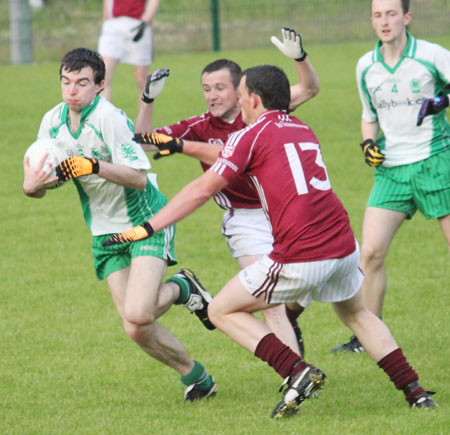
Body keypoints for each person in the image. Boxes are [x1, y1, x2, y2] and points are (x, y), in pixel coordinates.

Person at [102, 64, 437, 416]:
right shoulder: (301, 126)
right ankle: (415, 392)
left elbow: (201, 191)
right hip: (341, 243)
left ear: (254, 100)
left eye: (242, 95)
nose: (240, 104)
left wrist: (147, 228)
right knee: (357, 314)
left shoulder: (249, 136)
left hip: (301, 252)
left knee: (220, 309)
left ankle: (297, 371)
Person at [22, 48, 217, 402]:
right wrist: (32, 185)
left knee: (138, 311)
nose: (72, 90)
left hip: (145, 220)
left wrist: (92, 165)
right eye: (66, 82)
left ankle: (182, 289)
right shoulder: (51, 122)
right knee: (135, 328)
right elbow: (40, 185)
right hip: (103, 232)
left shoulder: (109, 118)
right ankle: (196, 376)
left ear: (99, 85)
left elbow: (139, 178)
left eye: (82, 83)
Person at [133, 28, 321, 356]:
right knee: (270, 303)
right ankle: (298, 376)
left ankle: (292, 319)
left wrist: (300, 59)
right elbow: (143, 143)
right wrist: (148, 99)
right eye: (206, 89)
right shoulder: (200, 127)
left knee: (305, 288)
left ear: (242, 91)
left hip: (286, 210)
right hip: (245, 220)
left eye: (220, 88)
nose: (212, 96)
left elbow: (310, 88)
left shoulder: (265, 110)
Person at [332, 0, 450, 353]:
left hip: (435, 162)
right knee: (368, 254)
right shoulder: (366, 66)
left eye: (391, 14)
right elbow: (369, 114)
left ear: (407, 17)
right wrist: (368, 143)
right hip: (391, 172)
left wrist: (442, 100)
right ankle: (365, 336)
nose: (385, 21)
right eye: (378, 15)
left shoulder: (431, 55)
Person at [98, 0, 159, 102]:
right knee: (103, 75)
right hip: (114, 25)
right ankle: (104, 116)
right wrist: (106, 22)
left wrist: (146, 21)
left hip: (138, 24)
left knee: (142, 80)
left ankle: (144, 116)